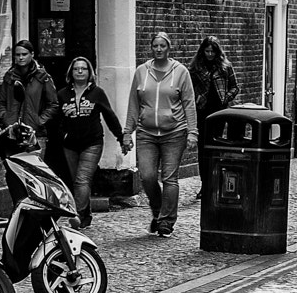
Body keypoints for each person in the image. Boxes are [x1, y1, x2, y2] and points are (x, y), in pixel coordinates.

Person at [123, 31, 199, 238]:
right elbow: (133, 103)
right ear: (151, 48)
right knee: (147, 176)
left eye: (162, 46)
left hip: (174, 132)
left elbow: (189, 103)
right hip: (147, 132)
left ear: (168, 48)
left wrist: (193, 132)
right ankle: (157, 211)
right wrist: (127, 132)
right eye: (155, 46)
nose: (158, 49)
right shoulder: (141, 71)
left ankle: (166, 222)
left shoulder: (181, 72)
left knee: (169, 177)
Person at [55, 56, 123, 228]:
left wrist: (121, 137)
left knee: (82, 179)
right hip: (70, 144)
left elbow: (109, 115)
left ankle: (77, 216)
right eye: (76, 68)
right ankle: (86, 214)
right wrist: (63, 136)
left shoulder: (97, 93)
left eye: (83, 69)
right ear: (71, 72)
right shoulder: (62, 94)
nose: (79, 71)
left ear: (89, 72)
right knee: (76, 180)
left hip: (92, 142)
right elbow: (57, 120)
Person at [2, 38, 63, 180]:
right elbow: (1, 102)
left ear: (32, 54)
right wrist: (7, 118)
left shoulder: (43, 77)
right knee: (15, 175)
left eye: (24, 54)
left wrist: (39, 121)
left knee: (35, 175)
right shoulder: (9, 77)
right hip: (13, 133)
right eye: (17, 55)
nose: (20, 57)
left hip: (35, 133)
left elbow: (53, 104)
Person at [188, 35, 239, 200]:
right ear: (202, 51)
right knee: (203, 150)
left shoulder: (225, 67)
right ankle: (205, 184)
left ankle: (216, 182)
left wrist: (226, 97)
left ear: (217, 52)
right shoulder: (196, 67)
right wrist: (196, 97)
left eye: (212, 51)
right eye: (207, 51)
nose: (209, 54)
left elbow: (235, 87)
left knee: (216, 147)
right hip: (202, 111)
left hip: (219, 112)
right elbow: (189, 87)